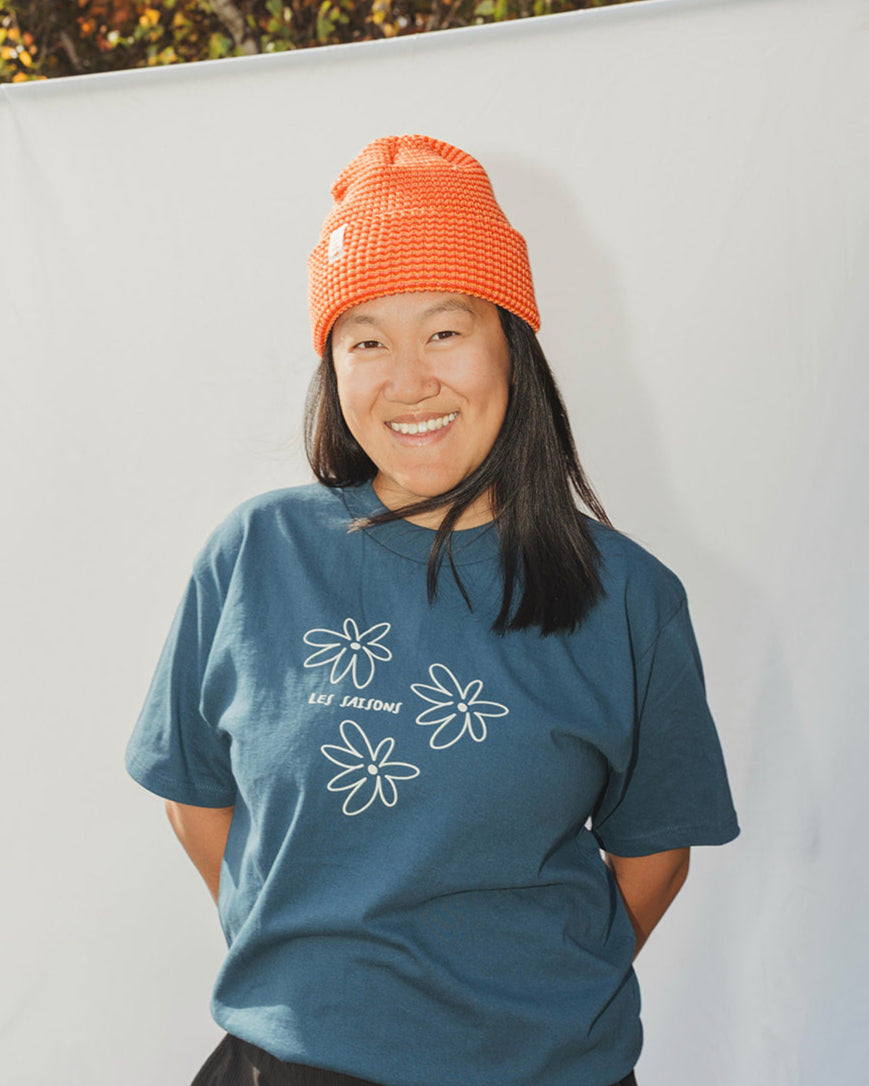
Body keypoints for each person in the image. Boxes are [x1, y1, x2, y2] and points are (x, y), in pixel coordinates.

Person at [125, 135, 739, 1086]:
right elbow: (192, 792)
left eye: (444, 331)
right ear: (332, 366)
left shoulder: (628, 597)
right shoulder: (258, 553)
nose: (406, 381)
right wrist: (305, 962)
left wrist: (529, 1007)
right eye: (365, 340)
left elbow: (655, 854)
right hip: (288, 1066)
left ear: (512, 344)